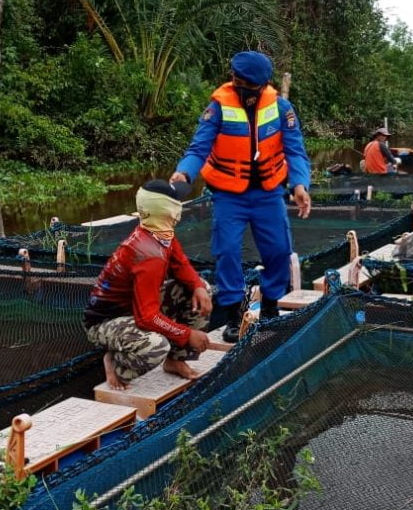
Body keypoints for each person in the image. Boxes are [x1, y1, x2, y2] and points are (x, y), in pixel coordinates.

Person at [170, 51, 311, 342]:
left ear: (263, 83)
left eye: (245, 82)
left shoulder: (282, 109)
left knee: (279, 251)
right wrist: (184, 173)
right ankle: (235, 314)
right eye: (235, 79)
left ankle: (271, 306)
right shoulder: (218, 107)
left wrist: (299, 185)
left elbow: (295, 151)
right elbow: (198, 148)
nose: (238, 85)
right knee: (227, 251)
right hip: (229, 195)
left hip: (268, 193)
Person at [83, 180, 211, 390]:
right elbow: (147, 317)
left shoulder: (159, 233)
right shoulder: (148, 254)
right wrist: (187, 335)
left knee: (201, 289)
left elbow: (180, 264)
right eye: (176, 201)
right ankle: (116, 364)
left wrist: (196, 284)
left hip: (134, 307)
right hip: (105, 322)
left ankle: (176, 360)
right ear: (168, 209)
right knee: (156, 346)